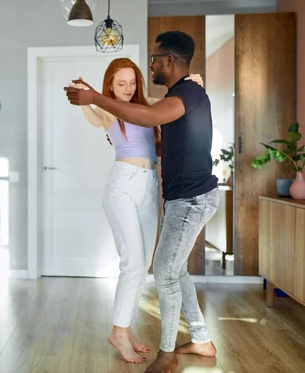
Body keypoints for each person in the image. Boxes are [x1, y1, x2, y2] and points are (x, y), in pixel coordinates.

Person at [64, 31, 219, 373]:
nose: (131, 85)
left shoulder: (172, 98)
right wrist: (89, 98)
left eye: (150, 62)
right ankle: (186, 339)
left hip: (171, 193)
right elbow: (114, 120)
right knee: (158, 269)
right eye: (121, 83)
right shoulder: (163, 99)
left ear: (169, 61)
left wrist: (97, 98)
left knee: (157, 270)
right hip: (145, 189)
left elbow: (148, 119)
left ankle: (156, 346)